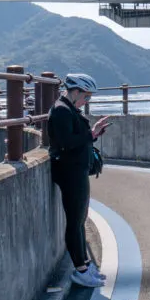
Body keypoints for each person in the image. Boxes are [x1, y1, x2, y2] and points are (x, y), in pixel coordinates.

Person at [48, 73, 111, 288]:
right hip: (69, 172)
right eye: (86, 96)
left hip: (76, 171)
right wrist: (90, 134)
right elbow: (66, 143)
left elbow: (77, 138)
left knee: (80, 218)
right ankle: (80, 270)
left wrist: (93, 134)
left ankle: (84, 263)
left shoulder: (69, 109)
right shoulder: (61, 110)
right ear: (75, 92)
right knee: (74, 221)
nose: (87, 101)